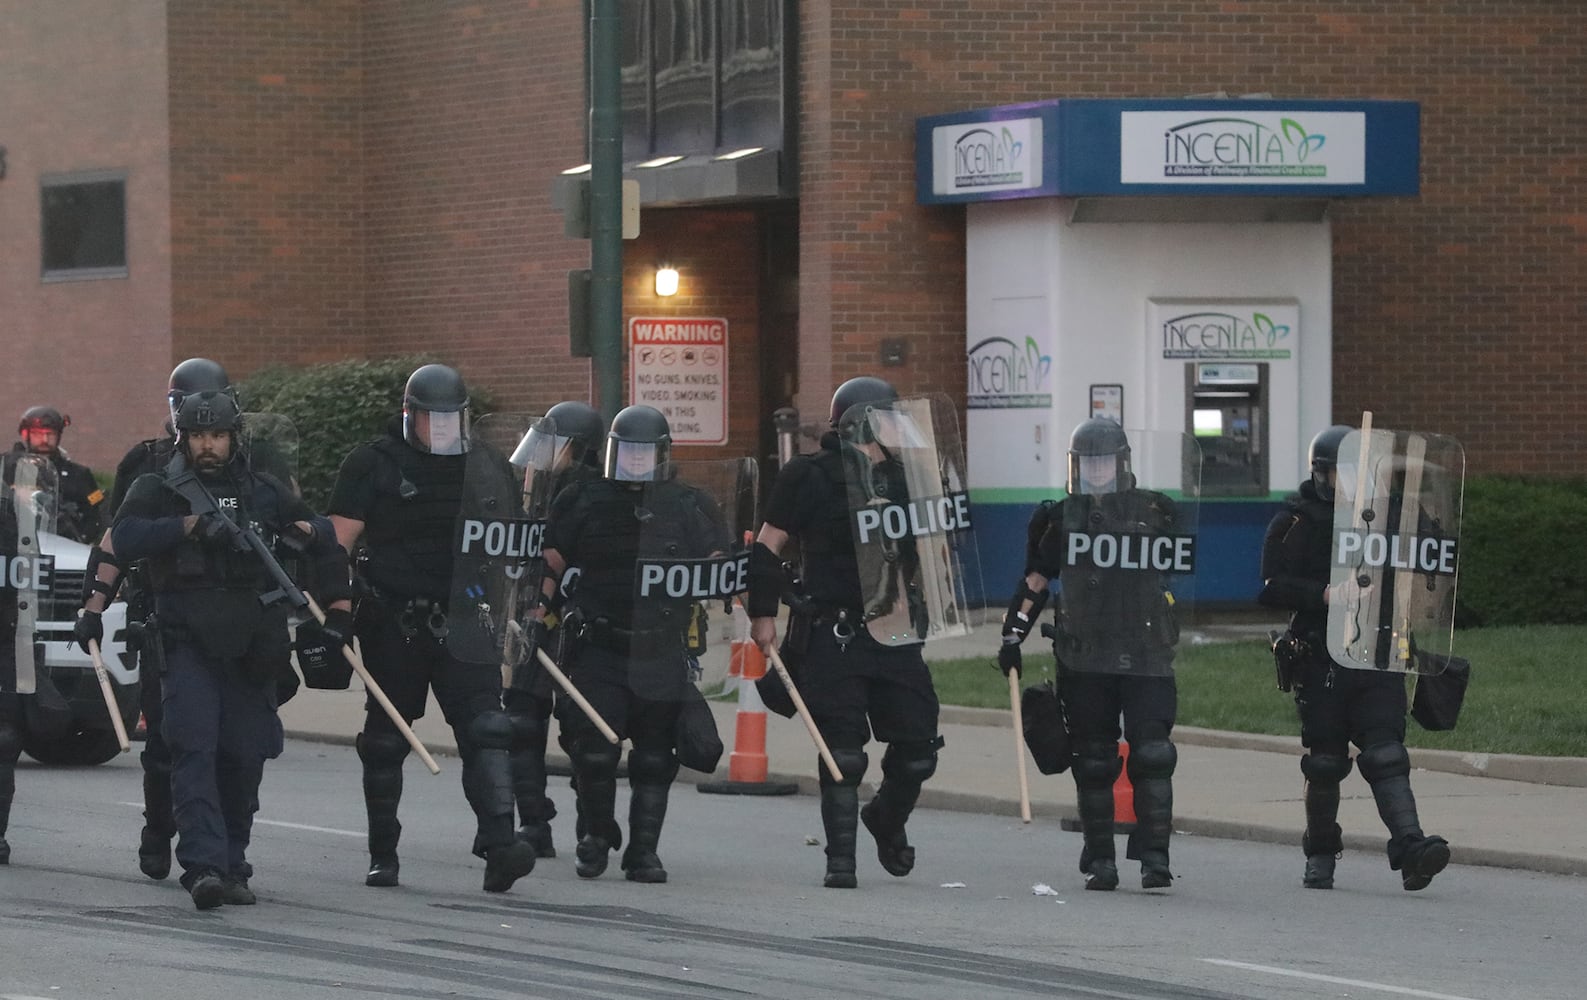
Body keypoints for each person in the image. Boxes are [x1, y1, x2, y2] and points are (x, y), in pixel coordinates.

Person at [111, 389, 352, 909]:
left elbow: (325, 535)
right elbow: (123, 537)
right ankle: (202, 867)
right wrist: (189, 526)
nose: (208, 445)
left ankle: (234, 863)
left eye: (216, 435)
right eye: (198, 435)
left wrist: (308, 537)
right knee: (194, 749)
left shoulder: (262, 490)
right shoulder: (158, 488)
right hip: (185, 641)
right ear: (184, 438)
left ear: (233, 438)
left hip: (253, 643)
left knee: (243, 756)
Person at [327, 363, 536, 893]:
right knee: (385, 741)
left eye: (450, 420)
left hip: (468, 618)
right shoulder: (372, 464)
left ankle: (500, 845)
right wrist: (334, 607)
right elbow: (338, 541)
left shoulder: (489, 465)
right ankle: (384, 855)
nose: (441, 430)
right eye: (430, 420)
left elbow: (512, 545)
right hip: (395, 619)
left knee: (488, 728)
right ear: (409, 416)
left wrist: (517, 607)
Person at [746, 377, 945, 890]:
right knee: (843, 751)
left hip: (896, 627)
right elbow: (768, 546)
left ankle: (885, 818)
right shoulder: (807, 476)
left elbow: (932, 552)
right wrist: (763, 615)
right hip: (834, 631)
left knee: (918, 748)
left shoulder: (905, 478)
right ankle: (841, 860)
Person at [74, 357, 250, 881]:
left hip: (236, 622)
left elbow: (287, 532)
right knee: (169, 741)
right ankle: (159, 829)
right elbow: (117, 541)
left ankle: (218, 850)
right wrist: (94, 608)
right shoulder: (148, 465)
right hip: (164, 614)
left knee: (233, 746)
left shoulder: (253, 466)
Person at [1258, 424, 1451, 891]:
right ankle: (1320, 854)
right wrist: (1324, 593)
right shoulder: (1298, 520)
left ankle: (1412, 849)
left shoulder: (1396, 515)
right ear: (1320, 476)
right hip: (1320, 655)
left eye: (1356, 476)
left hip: (1378, 648)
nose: (1346, 486)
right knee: (1325, 761)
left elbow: (1433, 560)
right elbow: (1270, 587)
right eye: (1337, 476)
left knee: (1386, 754)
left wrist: (1429, 556)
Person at [540, 404, 727, 884]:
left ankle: (643, 851)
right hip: (599, 643)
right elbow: (551, 562)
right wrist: (533, 613)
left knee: (653, 755)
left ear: (663, 455)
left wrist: (746, 593)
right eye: (629, 453)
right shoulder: (581, 499)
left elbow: (718, 561)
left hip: (661, 646)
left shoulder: (689, 503)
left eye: (646, 454)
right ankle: (595, 835)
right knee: (594, 749)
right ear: (611, 452)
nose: (637, 462)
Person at [996, 417, 1185, 891]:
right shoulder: (1058, 519)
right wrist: (1012, 635)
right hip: (1085, 654)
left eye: (1103, 463)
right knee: (1094, 758)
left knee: (1154, 752)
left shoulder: (1156, 512)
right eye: (1087, 464)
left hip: (1145, 652)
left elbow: (1176, 569)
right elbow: (1035, 582)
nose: (1095, 472)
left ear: (1121, 463)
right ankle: (1101, 858)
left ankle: (1155, 857)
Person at [504, 400, 606, 859]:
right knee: (532, 722)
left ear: (575, 450)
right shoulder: (541, 492)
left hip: (565, 624)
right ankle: (566, 825)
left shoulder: (583, 496)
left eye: (551, 445)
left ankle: (543, 824)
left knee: (550, 724)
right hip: (544, 619)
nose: (539, 454)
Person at [7, 406, 104, 544]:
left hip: (64, 549)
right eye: (37, 434)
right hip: (15, 547)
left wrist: (80, 539)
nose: (44, 440)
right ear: (26, 435)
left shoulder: (79, 474)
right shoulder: (11, 468)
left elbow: (96, 515)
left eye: (50, 434)